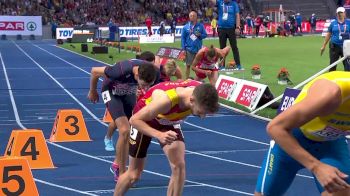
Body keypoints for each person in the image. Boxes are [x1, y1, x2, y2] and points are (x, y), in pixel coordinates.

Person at [114, 80, 219, 196]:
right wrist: (159, 135)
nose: (202, 117)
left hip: (169, 119)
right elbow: (133, 120)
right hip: (144, 119)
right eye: (200, 112)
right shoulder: (166, 100)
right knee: (134, 175)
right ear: (192, 100)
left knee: (179, 165)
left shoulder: (202, 91)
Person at [255, 71, 350, 196]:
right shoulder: (331, 92)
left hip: (330, 145)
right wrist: (316, 167)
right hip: (293, 140)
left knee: (341, 191)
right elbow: (275, 128)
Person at [87, 54, 158, 182]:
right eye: (143, 85)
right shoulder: (119, 70)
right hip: (111, 92)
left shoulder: (153, 71)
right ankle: (122, 172)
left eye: (148, 85)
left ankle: (116, 164)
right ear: (136, 75)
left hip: (128, 91)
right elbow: (94, 71)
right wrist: (92, 91)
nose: (146, 88)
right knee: (124, 130)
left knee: (133, 128)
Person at [213, 0, 244, 70]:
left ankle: (238, 65)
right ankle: (222, 66)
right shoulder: (220, 2)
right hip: (221, 28)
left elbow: (237, 15)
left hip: (231, 28)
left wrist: (237, 27)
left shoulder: (234, 4)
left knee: (234, 47)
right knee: (222, 48)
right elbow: (212, 1)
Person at [321, 7, 350, 72]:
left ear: (344, 13)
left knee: (348, 66)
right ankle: (331, 81)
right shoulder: (333, 23)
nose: (340, 14)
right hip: (334, 46)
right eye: (338, 13)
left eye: (341, 13)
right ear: (336, 14)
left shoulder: (349, 23)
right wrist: (324, 46)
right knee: (332, 65)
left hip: (346, 47)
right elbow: (328, 34)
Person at [181, 11, 207, 79]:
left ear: (196, 17)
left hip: (198, 50)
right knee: (188, 66)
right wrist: (183, 49)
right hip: (189, 49)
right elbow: (183, 39)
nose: (192, 17)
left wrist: (200, 35)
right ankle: (186, 81)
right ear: (189, 17)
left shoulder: (200, 26)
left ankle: (198, 80)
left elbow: (205, 35)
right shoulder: (185, 27)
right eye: (191, 16)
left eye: (194, 16)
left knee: (200, 66)